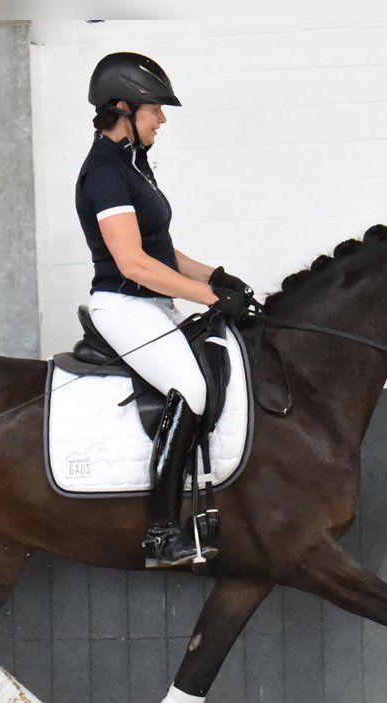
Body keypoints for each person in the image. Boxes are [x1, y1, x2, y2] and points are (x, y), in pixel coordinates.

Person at [75, 51, 256, 569]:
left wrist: (214, 276)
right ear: (123, 108)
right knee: (192, 388)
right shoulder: (104, 174)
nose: (163, 118)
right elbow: (132, 263)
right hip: (124, 306)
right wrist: (210, 299)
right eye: (155, 108)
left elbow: (160, 250)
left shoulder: (135, 166)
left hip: (152, 304)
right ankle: (159, 534)